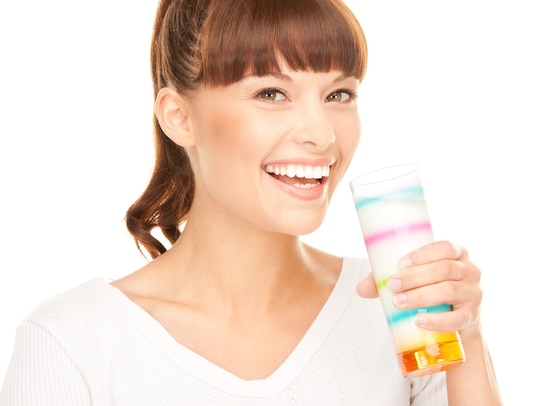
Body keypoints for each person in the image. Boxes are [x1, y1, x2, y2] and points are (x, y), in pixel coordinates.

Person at [0, 0, 501, 404]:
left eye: (339, 94)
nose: (322, 135)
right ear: (179, 117)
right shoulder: (71, 343)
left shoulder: (400, 310)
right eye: (270, 94)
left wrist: (469, 341)